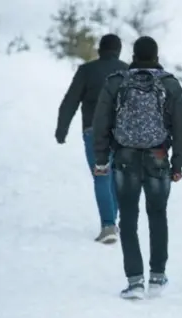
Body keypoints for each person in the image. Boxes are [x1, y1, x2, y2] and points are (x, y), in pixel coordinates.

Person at [93, 36, 182, 300]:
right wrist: (179, 162)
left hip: (124, 157)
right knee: (158, 214)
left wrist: (101, 159)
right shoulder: (169, 84)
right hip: (158, 156)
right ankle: (157, 277)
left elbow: (101, 123)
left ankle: (135, 281)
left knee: (128, 216)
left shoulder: (116, 82)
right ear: (156, 55)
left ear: (133, 55)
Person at [55, 33, 128, 244]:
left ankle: (108, 225)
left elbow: (70, 101)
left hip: (95, 132)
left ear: (100, 50)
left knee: (102, 175)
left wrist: (62, 129)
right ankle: (117, 221)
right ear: (118, 51)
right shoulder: (129, 72)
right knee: (118, 176)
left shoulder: (86, 71)